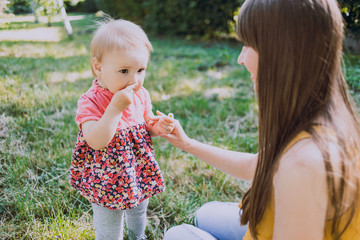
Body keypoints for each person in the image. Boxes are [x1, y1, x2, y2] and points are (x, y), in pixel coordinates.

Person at [162, 0, 360, 239]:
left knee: (178, 234)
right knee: (205, 213)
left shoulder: (302, 165)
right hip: (270, 223)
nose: (240, 58)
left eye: (248, 44)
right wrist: (187, 144)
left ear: (283, 54)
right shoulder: (321, 120)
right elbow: (255, 166)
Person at [69, 18, 174, 240]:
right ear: (98, 67)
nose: (134, 81)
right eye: (124, 71)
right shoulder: (91, 101)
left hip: (136, 169)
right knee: (109, 221)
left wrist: (157, 126)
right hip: (105, 176)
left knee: (139, 208)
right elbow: (96, 141)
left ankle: (137, 235)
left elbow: (145, 126)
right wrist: (114, 109)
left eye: (140, 70)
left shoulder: (140, 94)